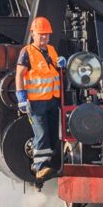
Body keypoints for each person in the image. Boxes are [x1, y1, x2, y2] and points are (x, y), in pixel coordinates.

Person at [15, 16, 67, 181]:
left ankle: (45, 163)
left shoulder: (51, 50)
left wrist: (62, 66)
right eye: (41, 34)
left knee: (52, 135)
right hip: (36, 102)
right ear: (33, 34)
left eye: (47, 34)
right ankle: (39, 167)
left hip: (52, 100)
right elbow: (19, 74)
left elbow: (53, 73)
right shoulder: (27, 52)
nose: (44, 37)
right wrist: (21, 96)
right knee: (42, 133)